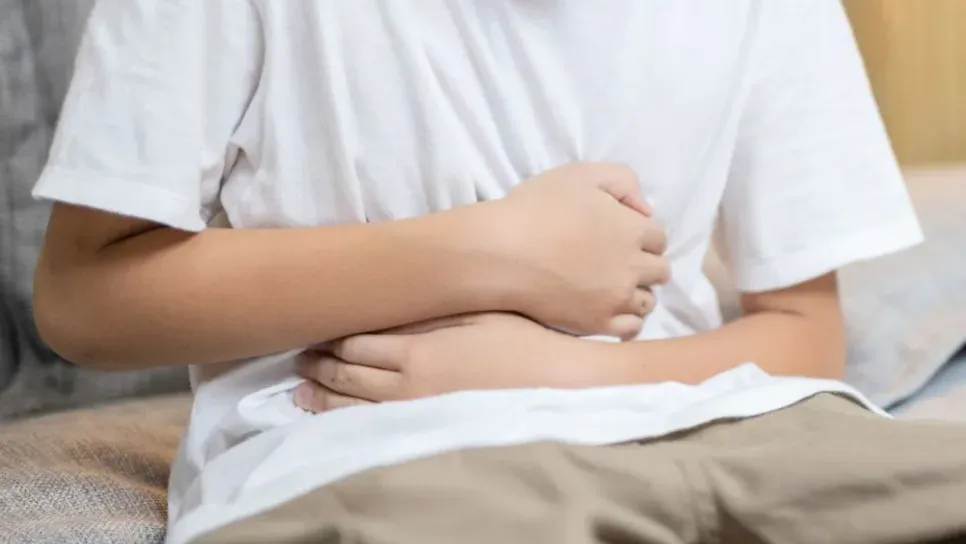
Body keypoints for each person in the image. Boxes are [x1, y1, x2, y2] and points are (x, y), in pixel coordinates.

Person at [30, 0, 966, 543]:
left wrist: (560, 370)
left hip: (739, 433)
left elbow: (807, 338)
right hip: (392, 464)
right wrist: (496, 251)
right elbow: (85, 300)